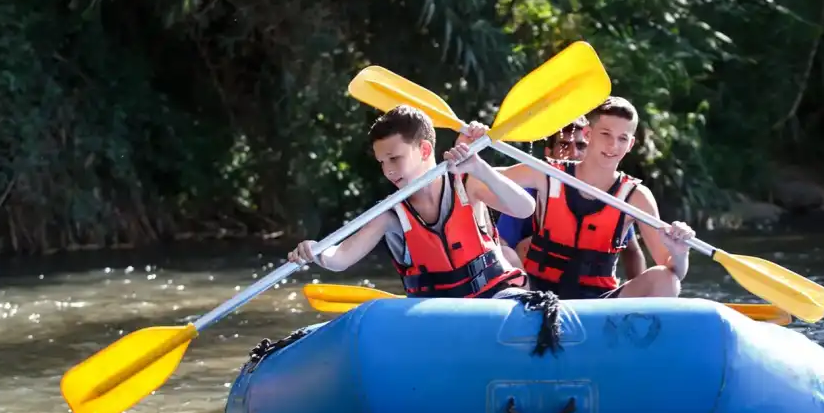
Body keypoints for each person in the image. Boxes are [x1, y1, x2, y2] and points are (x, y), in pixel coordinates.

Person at [287, 105, 535, 299]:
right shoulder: (390, 214)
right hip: (437, 312)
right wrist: (316, 251)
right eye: (382, 162)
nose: (389, 171)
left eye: (394, 158)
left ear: (425, 150)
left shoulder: (467, 183)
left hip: (493, 299)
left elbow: (525, 209)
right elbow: (340, 258)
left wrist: (481, 169)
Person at [467, 96, 695, 299]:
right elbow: (479, 178)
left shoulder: (637, 197)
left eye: (622, 138)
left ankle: (627, 338)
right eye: (605, 134)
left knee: (666, 280)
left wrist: (679, 252)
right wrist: (472, 153)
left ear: (631, 144)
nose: (613, 145)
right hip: (535, 293)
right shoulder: (547, 173)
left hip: (599, 303)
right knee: (505, 253)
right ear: (588, 133)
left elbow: (674, 270)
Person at [494, 116, 646, 280]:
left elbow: (632, 251)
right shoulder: (527, 191)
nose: (573, 153)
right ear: (549, 153)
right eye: (564, 145)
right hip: (533, 287)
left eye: (581, 146)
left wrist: (634, 301)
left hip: (589, 291)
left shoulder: (608, 194)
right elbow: (502, 246)